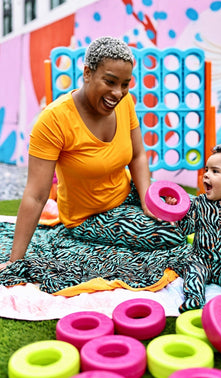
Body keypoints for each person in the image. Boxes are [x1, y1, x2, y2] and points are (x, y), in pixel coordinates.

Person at [0, 36, 185, 277]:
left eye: (125, 84)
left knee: (187, 215)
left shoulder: (125, 102)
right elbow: (36, 195)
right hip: (88, 217)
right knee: (169, 234)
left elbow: (138, 155)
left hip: (125, 194)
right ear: (87, 73)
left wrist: (146, 201)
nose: (118, 93)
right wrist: (16, 261)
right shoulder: (54, 120)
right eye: (110, 81)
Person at [168, 143, 221, 312]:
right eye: (206, 170)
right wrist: (177, 212)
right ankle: (194, 299)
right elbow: (185, 229)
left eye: (215, 171)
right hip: (202, 258)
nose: (206, 175)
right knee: (192, 270)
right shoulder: (199, 203)